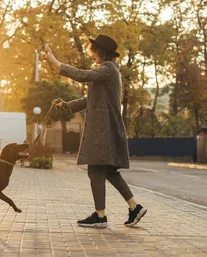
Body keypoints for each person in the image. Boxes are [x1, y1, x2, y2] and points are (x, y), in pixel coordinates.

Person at [44, 35, 147, 228]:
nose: (92, 54)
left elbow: (82, 75)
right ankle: (135, 207)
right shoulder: (108, 71)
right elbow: (89, 98)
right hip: (106, 129)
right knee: (109, 171)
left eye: (93, 50)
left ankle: (100, 216)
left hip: (103, 130)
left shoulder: (107, 69)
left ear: (101, 51)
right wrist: (67, 105)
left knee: (96, 169)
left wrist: (56, 62)